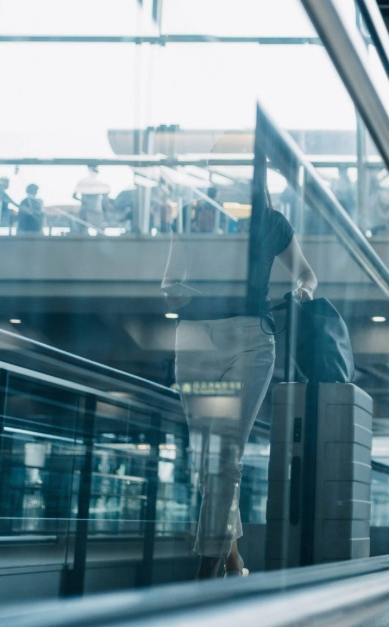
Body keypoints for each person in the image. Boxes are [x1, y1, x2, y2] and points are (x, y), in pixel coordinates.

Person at [163, 193, 317, 580]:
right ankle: (234, 565)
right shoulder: (192, 213)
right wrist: (175, 291)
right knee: (208, 461)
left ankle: (205, 575)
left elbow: (306, 274)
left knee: (224, 456)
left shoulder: (271, 221)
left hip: (250, 339)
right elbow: (169, 279)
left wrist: (303, 291)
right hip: (195, 337)